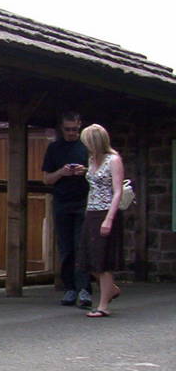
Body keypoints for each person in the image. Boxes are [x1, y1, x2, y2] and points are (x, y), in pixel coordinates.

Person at [41, 112, 92, 307]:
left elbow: (100, 174)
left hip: (83, 201)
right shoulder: (54, 148)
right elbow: (46, 179)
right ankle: (70, 287)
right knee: (66, 248)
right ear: (61, 128)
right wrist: (62, 172)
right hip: (62, 202)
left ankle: (85, 289)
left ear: (80, 126)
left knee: (81, 246)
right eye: (68, 129)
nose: (71, 133)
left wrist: (84, 171)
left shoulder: (86, 148)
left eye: (75, 129)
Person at [77, 124, 124, 317]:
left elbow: (117, 190)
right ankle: (111, 289)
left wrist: (109, 219)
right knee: (87, 258)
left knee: (102, 260)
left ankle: (103, 305)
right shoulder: (91, 159)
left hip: (106, 211)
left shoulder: (114, 159)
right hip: (92, 211)